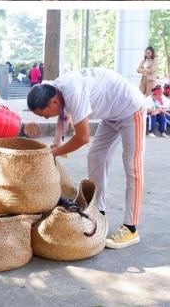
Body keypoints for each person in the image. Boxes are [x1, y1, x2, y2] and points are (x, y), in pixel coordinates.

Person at [27, 68, 145, 249]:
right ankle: (99, 210)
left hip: (131, 109)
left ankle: (131, 228)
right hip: (110, 117)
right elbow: (62, 116)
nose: (45, 117)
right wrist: (57, 142)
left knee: (133, 166)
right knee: (96, 157)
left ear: (54, 101)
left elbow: (82, 138)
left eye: (44, 114)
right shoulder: (55, 88)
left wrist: (53, 153)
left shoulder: (73, 93)